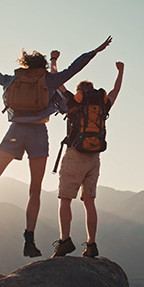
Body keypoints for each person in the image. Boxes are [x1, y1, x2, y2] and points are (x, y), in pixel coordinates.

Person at [0, 36, 113, 258]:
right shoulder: (49, 81)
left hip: (15, 132)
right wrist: (96, 50)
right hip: (38, 134)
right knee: (34, 189)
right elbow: (76, 67)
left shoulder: (12, 79)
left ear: (26, 64)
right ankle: (29, 240)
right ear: (43, 66)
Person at [50, 50, 124, 258]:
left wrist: (54, 60)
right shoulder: (102, 104)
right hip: (94, 157)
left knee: (65, 199)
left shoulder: (74, 102)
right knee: (89, 201)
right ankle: (91, 245)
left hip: (74, 155)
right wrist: (120, 72)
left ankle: (65, 241)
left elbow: (56, 81)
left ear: (79, 92)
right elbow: (115, 90)